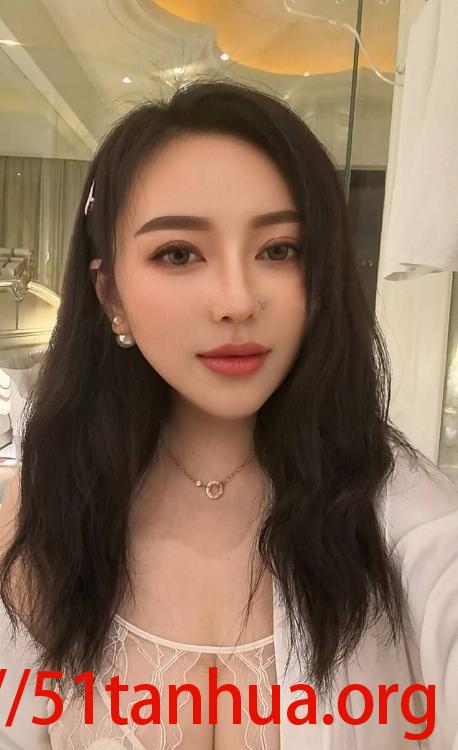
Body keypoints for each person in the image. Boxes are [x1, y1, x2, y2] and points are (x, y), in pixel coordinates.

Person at [0, 79, 456, 750]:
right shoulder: (39, 518)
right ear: (110, 295)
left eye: (279, 250)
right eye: (179, 253)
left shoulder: (418, 532)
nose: (238, 301)